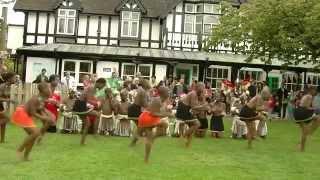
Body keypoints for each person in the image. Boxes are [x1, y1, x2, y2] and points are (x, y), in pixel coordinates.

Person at [12, 82, 54, 161]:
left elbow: (40, 109)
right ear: (43, 90)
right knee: (36, 133)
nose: (50, 89)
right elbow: (32, 112)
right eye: (48, 88)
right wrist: (44, 118)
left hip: (26, 115)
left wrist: (48, 116)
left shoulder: (42, 99)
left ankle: (26, 157)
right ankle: (20, 149)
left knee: (33, 137)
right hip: (21, 114)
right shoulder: (35, 99)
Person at [130, 87, 171, 163]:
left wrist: (167, 112)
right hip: (147, 117)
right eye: (167, 91)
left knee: (164, 125)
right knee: (145, 135)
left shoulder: (164, 100)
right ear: (163, 93)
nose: (169, 92)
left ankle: (135, 144)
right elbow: (153, 113)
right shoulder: (157, 100)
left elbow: (160, 111)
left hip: (151, 118)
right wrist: (166, 114)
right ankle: (146, 158)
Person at [175, 82, 207, 147]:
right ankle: (183, 136)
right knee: (197, 124)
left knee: (193, 126)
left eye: (204, 87)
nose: (204, 89)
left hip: (185, 108)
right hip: (183, 109)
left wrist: (203, 104)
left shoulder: (197, 94)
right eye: (203, 87)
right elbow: (194, 107)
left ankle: (187, 144)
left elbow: (196, 108)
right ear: (198, 87)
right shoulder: (193, 94)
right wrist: (203, 106)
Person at [294, 87, 320, 152]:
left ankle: (301, 147)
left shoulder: (305, 96)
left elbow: (298, 103)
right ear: (311, 90)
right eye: (314, 90)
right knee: (318, 119)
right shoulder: (310, 96)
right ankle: (302, 147)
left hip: (298, 113)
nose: (315, 92)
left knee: (304, 132)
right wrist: (315, 109)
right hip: (303, 113)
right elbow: (307, 107)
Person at [0, 72, 17, 143]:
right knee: (7, 118)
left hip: (0, 105)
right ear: (9, 78)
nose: (15, 79)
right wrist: (9, 100)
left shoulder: (9, 86)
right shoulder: (2, 86)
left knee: (4, 122)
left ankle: (2, 140)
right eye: (14, 77)